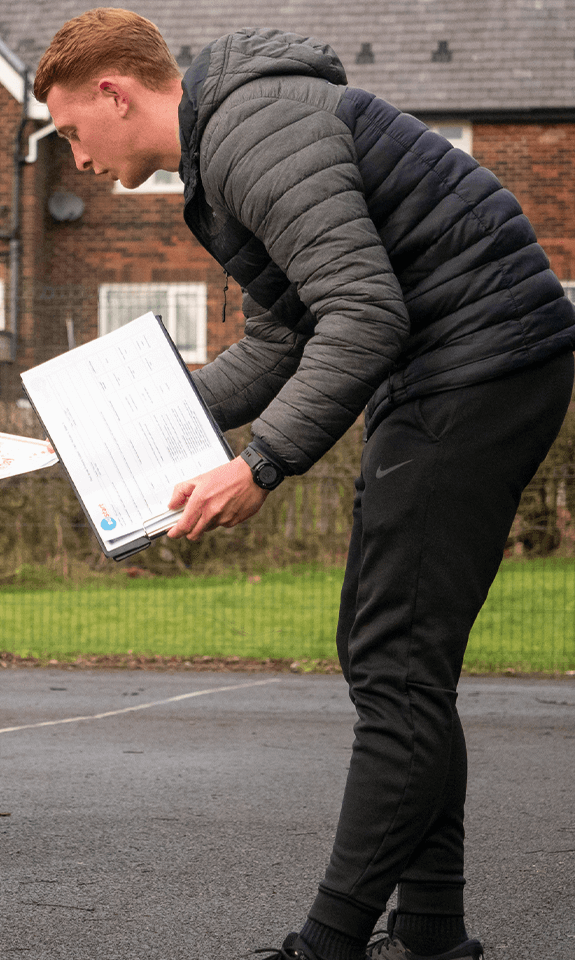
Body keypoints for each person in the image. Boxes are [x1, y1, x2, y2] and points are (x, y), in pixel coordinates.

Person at [35, 11, 575, 960]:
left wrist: (262, 462)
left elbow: (363, 315)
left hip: (479, 364)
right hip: (456, 365)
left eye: (73, 131)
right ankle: (434, 931)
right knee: (398, 667)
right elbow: (288, 337)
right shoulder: (228, 148)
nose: (74, 160)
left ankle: (327, 945)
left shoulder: (251, 130)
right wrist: (158, 414)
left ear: (116, 94)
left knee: (392, 663)